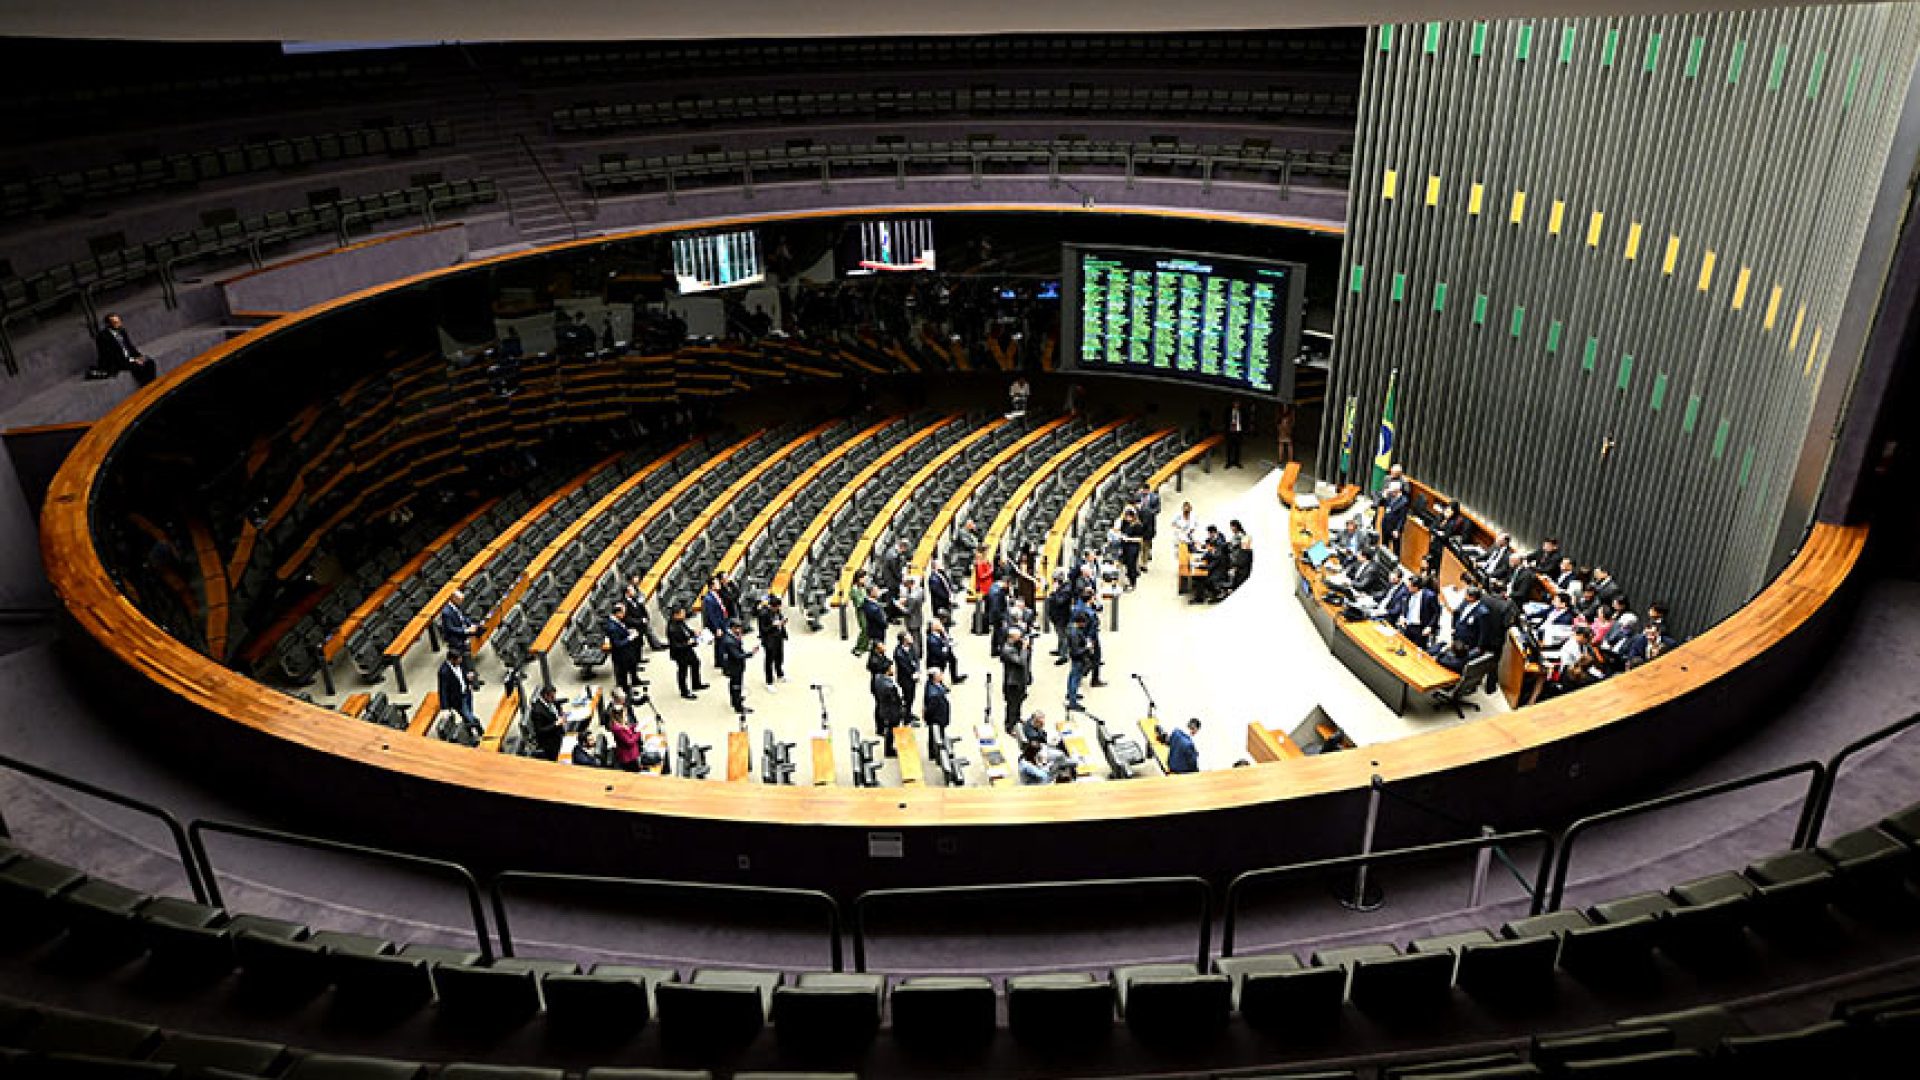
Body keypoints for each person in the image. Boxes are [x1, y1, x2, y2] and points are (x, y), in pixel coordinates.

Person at [93, 313, 156, 386]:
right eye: (115, 323)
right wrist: (134, 360)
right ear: (108, 324)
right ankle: (145, 386)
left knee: (149, 362)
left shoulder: (122, 331)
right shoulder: (103, 337)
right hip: (116, 361)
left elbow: (130, 346)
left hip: (128, 358)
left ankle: (153, 384)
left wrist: (139, 356)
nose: (119, 324)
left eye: (119, 321)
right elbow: (111, 355)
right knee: (138, 366)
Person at [437, 648, 478, 738]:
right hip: (458, 699)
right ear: (451, 660)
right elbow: (442, 690)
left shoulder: (460, 662)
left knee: (469, 713)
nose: (461, 661)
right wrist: (445, 708)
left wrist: (468, 678)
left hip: (467, 693)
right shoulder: (444, 672)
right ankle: (480, 731)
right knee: (470, 717)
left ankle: (470, 733)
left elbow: (464, 673)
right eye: (459, 659)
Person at [666, 606, 706, 699]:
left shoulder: (680, 622)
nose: (684, 615)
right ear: (676, 615)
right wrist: (688, 643)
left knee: (696, 663)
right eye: (682, 613)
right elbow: (675, 645)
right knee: (683, 671)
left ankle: (696, 684)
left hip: (687, 649)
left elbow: (686, 630)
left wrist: (693, 633)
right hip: (680, 653)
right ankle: (684, 692)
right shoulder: (672, 628)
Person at [716, 620, 754, 714]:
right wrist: (750, 653)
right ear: (732, 628)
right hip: (734, 666)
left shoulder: (731, 636)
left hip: (732, 665)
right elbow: (737, 655)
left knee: (734, 684)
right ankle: (738, 707)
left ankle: (734, 700)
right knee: (736, 685)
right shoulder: (730, 641)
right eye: (737, 628)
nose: (739, 630)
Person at [1000, 626, 1032, 733]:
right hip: (1013, 682)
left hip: (1020, 680)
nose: (1021, 639)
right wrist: (1023, 648)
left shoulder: (1014, 645)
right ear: (1012, 637)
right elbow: (1021, 662)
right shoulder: (1007, 649)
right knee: (1012, 704)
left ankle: (1017, 720)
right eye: (1019, 637)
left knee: (1019, 703)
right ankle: (1010, 726)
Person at [606, 603, 643, 693]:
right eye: (623, 613)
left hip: (627, 651)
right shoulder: (612, 627)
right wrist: (630, 638)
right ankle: (626, 691)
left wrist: (628, 632)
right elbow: (618, 644)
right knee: (623, 674)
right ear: (617, 613)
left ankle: (634, 681)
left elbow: (622, 632)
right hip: (620, 654)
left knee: (632, 666)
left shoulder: (617, 621)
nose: (625, 615)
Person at [871, 660, 903, 758]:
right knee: (891, 730)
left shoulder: (878, 678)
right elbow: (895, 699)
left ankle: (888, 748)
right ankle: (889, 750)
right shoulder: (888, 686)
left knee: (889, 729)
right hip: (891, 711)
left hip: (884, 707)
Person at [757, 594, 789, 688]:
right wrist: (774, 625)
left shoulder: (778, 611)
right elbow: (763, 629)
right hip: (769, 640)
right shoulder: (763, 614)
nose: (778, 609)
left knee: (779, 657)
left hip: (778, 637)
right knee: (769, 661)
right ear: (771, 606)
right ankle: (769, 682)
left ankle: (779, 674)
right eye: (776, 607)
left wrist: (782, 624)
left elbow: (780, 621)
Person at [528, 684, 565, 761]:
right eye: (552, 697)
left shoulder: (549, 702)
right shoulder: (537, 711)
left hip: (558, 733)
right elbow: (540, 731)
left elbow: (554, 707)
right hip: (550, 742)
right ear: (545, 696)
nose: (554, 698)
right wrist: (556, 724)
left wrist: (561, 712)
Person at [1065, 612, 1093, 712]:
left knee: (1072, 676)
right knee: (1075, 679)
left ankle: (1070, 694)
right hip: (1078, 658)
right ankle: (1072, 702)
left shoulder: (1072, 628)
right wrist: (1087, 647)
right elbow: (1076, 651)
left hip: (1075, 658)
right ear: (1080, 622)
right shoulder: (1074, 633)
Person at [439, 589, 480, 655]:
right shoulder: (446, 612)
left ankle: (471, 650)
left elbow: (464, 617)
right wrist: (467, 631)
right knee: (468, 642)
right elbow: (451, 629)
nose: (461, 602)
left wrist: (471, 625)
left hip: (462, 628)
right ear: (454, 598)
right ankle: (464, 656)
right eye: (460, 600)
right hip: (454, 636)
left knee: (480, 630)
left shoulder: (457, 605)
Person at [892, 630, 920, 724]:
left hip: (913, 677)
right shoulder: (898, 653)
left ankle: (908, 712)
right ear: (904, 640)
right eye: (909, 637)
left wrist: (917, 670)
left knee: (912, 697)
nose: (911, 637)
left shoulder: (911, 647)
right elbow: (905, 667)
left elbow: (916, 659)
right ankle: (906, 718)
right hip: (905, 679)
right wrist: (913, 674)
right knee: (908, 698)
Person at [701, 577, 730, 667]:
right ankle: (721, 662)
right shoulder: (708, 599)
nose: (719, 584)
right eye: (717, 583)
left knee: (720, 643)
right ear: (712, 586)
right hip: (717, 624)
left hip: (722, 621)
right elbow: (711, 615)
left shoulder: (716, 594)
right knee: (721, 643)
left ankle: (719, 661)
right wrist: (717, 628)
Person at [925, 619, 965, 684]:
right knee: (940, 671)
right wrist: (947, 647)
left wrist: (943, 631)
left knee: (953, 660)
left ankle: (954, 678)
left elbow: (947, 638)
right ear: (933, 627)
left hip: (944, 652)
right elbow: (938, 653)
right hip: (936, 659)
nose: (940, 624)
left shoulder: (940, 632)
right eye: (937, 624)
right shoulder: (932, 640)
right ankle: (939, 685)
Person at [1378, 482, 1411, 552]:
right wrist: (1384, 497)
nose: (1390, 493)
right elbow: (1381, 504)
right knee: (1384, 546)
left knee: (1395, 549)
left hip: (1394, 528)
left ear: (1397, 491)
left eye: (1392, 491)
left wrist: (1397, 530)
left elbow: (1402, 518)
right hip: (1385, 524)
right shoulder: (1389, 496)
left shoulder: (1404, 501)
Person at [898, 572, 926, 652]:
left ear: (910, 583)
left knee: (914, 641)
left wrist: (900, 606)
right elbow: (922, 600)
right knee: (918, 637)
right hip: (918, 617)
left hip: (912, 621)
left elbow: (907, 611)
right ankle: (920, 652)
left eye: (905, 584)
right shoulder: (920, 590)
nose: (903, 585)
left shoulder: (912, 596)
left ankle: (916, 655)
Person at [1117, 507, 1145, 589]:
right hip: (1125, 546)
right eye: (1126, 517)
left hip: (1133, 547)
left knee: (1131, 565)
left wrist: (1128, 539)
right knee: (1125, 564)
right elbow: (1121, 531)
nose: (1127, 518)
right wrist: (1121, 536)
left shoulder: (1138, 525)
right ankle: (1127, 580)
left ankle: (1133, 583)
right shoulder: (1124, 523)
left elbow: (1139, 539)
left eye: (1129, 517)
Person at [847, 569, 872, 656]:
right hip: (861, 611)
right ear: (859, 578)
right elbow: (859, 602)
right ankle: (858, 648)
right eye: (864, 577)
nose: (865, 579)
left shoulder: (863, 586)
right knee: (864, 629)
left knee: (869, 628)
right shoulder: (854, 589)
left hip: (867, 609)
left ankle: (865, 645)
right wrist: (867, 599)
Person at [923, 668, 951, 739]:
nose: (942, 675)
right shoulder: (934, 694)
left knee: (938, 734)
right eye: (940, 674)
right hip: (937, 719)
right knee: (936, 736)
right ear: (935, 677)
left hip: (938, 718)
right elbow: (930, 709)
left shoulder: (931, 683)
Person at [927, 562, 956, 627]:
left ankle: (947, 623)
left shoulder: (941, 574)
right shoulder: (933, 578)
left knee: (946, 616)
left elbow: (947, 582)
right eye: (940, 565)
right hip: (940, 603)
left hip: (945, 601)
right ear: (935, 566)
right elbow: (938, 591)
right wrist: (947, 597)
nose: (942, 566)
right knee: (941, 620)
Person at [1224, 401, 1245, 468]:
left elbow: (1244, 421)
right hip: (1230, 432)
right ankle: (1229, 463)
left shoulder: (1242, 412)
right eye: (1235, 403)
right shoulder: (1228, 411)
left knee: (1238, 448)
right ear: (1233, 404)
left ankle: (1237, 462)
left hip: (1238, 432)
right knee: (1229, 448)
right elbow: (1225, 420)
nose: (1236, 405)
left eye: (1238, 404)